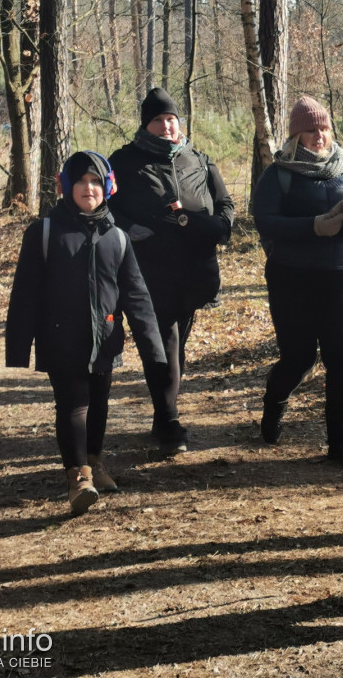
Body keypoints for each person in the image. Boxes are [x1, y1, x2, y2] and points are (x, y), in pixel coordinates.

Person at [5, 151, 167, 516]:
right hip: (59, 337)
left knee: (98, 403)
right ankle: (77, 476)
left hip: (105, 338)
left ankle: (94, 462)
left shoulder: (118, 238)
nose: (88, 188)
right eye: (80, 181)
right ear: (66, 186)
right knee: (73, 404)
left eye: (95, 181)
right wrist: (18, 347)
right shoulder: (45, 232)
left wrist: (153, 348)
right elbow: (25, 293)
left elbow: (136, 294)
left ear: (108, 186)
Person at [108, 88, 234, 455]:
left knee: (176, 347)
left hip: (195, 269)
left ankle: (164, 413)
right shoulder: (126, 161)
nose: (166, 126)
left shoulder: (197, 158)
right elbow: (106, 205)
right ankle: (168, 422)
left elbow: (224, 201)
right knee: (162, 345)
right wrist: (131, 231)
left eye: (171, 119)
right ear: (146, 125)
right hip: (149, 270)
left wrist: (220, 225)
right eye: (159, 120)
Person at [251, 96, 343, 466]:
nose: (319, 136)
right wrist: (312, 226)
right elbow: (265, 222)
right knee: (299, 357)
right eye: (311, 130)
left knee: (342, 360)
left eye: (323, 128)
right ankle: (274, 402)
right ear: (296, 136)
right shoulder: (279, 174)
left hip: (339, 277)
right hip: (291, 278)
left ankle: (342, 442)